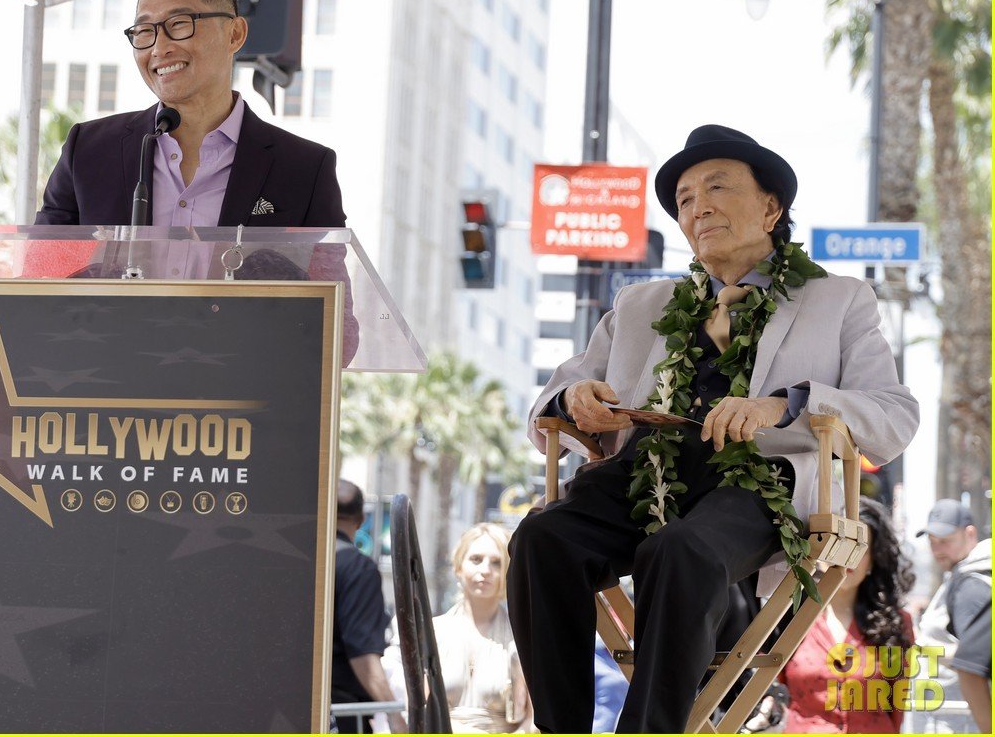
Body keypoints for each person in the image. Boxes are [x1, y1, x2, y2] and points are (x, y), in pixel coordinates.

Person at [506, 124, 919, 733]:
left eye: (717, 187)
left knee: (681, 550)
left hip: (760, 482)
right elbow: (556, 397)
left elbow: (894, 413)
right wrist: (576, 400)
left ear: (771, 209)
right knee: (541, 539)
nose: (697, 207)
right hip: (641, 474)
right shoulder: (639, 304)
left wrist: (785, 405)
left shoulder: (839, 300)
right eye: (684, 199)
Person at [36, 0, 346, 229]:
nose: (159, 48)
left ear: (235, 34)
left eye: (179, 24)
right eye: (145, 31)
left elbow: (327, 278)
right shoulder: (88, 150)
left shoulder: (305, 169)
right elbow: (42, 267)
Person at [778, 497, 915, 732]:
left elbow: (897, 708)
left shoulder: (897, 623)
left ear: (873, 558)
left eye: (858, 546)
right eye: (837, 543)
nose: (845, 556)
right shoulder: (787, 618)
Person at [427, 523, 532, 733]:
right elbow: (420, 708)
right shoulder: (433, 633)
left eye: (496, 563)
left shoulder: (523, 637)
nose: (485, 570)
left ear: (508, 571)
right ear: (459, 566)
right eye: (476, 559)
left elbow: (534, 719)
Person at [331, 480, 405, 734]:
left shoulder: (291, 562)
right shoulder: (357, 568)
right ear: (361, 520)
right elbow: (362, 653)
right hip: (339, 716)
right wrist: (394, 715)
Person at [914, 498, 991, 732]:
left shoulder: (972, 587)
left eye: (945, 541)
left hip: (960, 721)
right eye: (932, 541)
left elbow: (975, 664)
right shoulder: (963, 575)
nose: (937, 550)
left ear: (970, 534)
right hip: (949, 717)